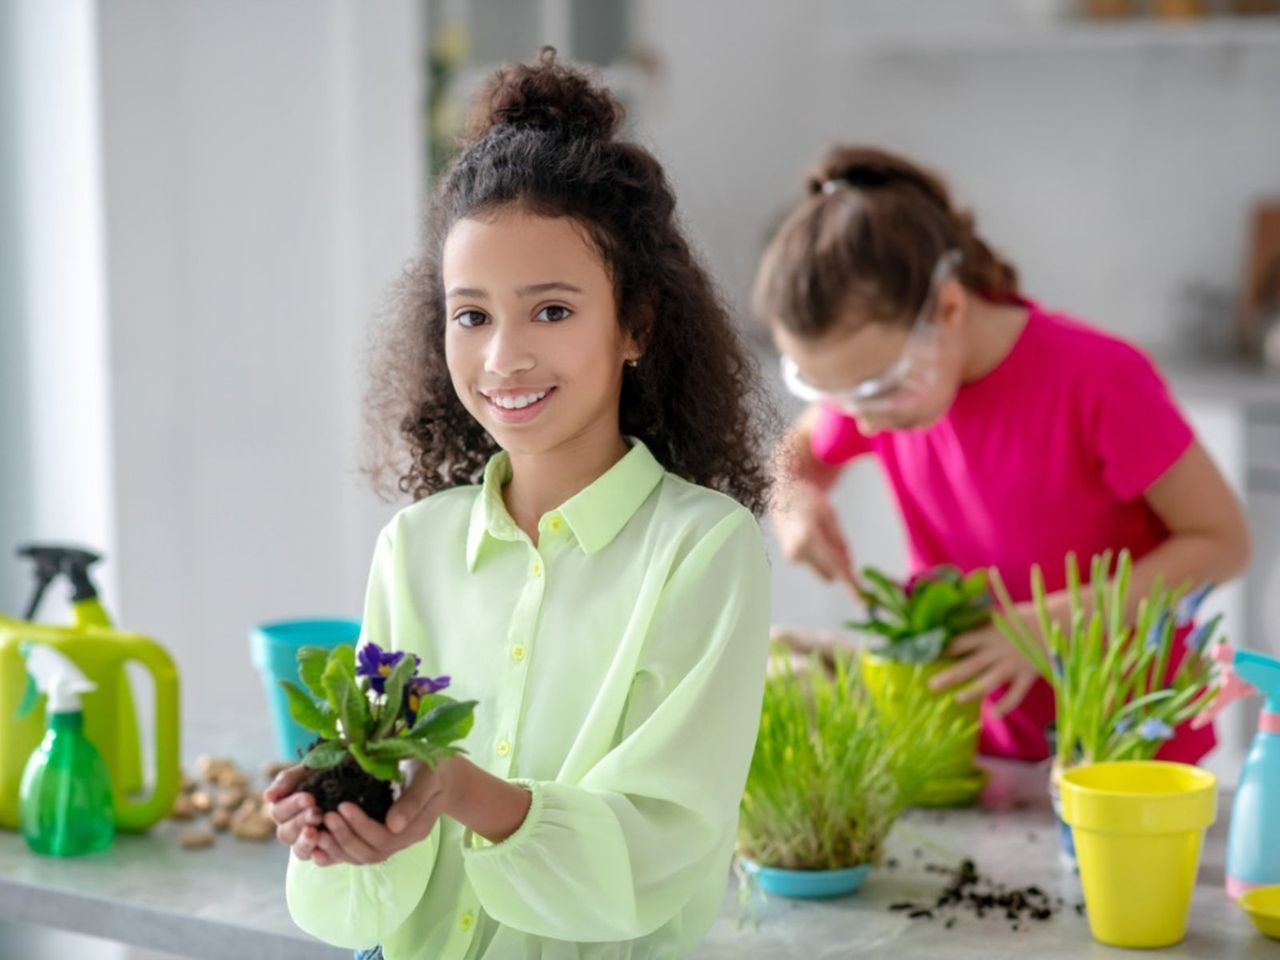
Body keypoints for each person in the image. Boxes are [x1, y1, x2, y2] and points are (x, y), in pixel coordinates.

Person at [263, 49, 773, 960]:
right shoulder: (412, 548)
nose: (502, 359)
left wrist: (458, 790)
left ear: (637, 325)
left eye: (551, 311)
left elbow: (658, 852)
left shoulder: (703, 553)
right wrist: (344, 826)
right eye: (472, 315)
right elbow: (366, 896)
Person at [756, 144, 1251, 763]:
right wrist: (793, 504)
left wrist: (1051, 624)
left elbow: (1224, 541)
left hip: (1130, 745)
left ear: (950, 309)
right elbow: (796, 457)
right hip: (981, 746)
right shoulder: (888, 390)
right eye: (828, 393)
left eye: (875, 389)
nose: (856, 418)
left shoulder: (1097, 380)